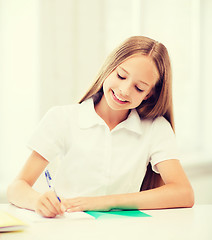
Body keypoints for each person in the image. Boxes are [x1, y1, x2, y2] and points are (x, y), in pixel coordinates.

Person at [7, 36, 194, 218]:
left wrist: (105, 202)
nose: (124, 90)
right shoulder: (62, 118)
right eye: (121, 76)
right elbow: (17, 187)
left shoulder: (156, 128)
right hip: (70, 227)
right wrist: (38, 201)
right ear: (109, 69)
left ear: (149, 95)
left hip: (125, 231)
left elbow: (183, 193)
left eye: (139, 88)